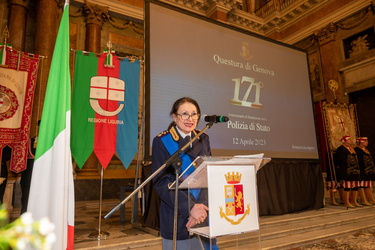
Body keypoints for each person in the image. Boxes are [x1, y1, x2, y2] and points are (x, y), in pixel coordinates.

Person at [152, 97, 217, 250]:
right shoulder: (162, 141)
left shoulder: (203, 138)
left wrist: (201, 209)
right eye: (185, 114)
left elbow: (209, 175)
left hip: (203, 215)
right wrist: (190, 208)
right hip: (179, 216)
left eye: (194, 114)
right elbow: (161, 183)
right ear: (174, 117)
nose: (190, 119)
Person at [334, 136, 362, 208]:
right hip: (346, 171)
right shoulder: (341, 149)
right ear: (344, 141)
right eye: (348, 139)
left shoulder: (352, 149)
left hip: (355, 171)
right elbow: (338, 160)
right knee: (347, 187)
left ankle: (354, 201)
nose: (350, 140)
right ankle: (346, 202)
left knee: (355, 186)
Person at [354, 137, 375, 205]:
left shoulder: (366, 150)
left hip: (368, 170)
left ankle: (371, 199)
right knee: (362, 185)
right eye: (366, 141)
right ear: (361, 142)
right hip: (362, 170)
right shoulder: (357, 149)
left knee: (367, 185)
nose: (367, 143)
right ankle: (364, 200)